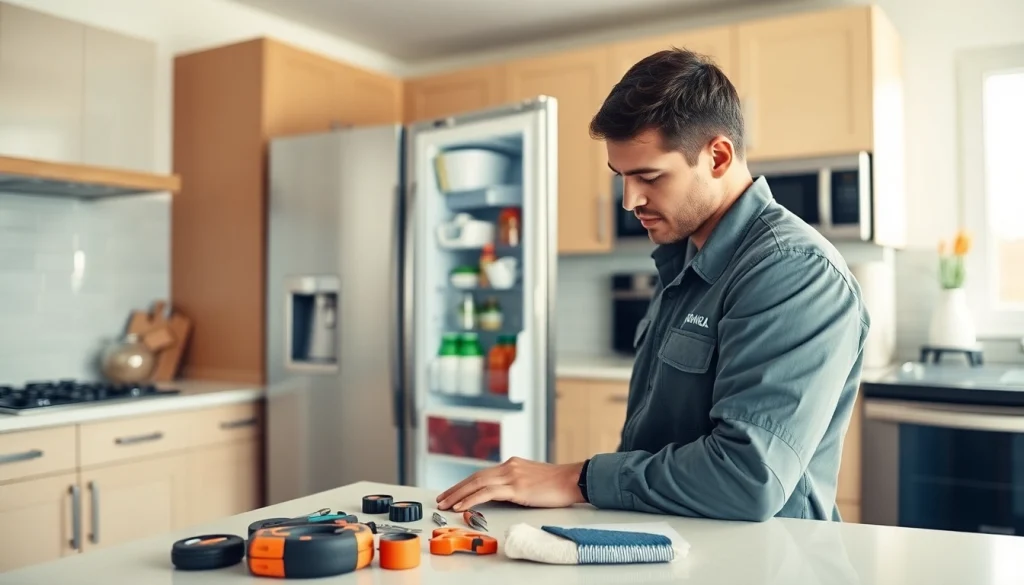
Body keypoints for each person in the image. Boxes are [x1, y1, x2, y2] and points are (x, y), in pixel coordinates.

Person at [435, 47, 870, 522]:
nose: (629, 200)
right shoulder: (683, 260)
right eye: (621, 177)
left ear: (718, 156)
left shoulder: (793, 270)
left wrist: (574, 480)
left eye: (648, 177)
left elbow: (748, 478)